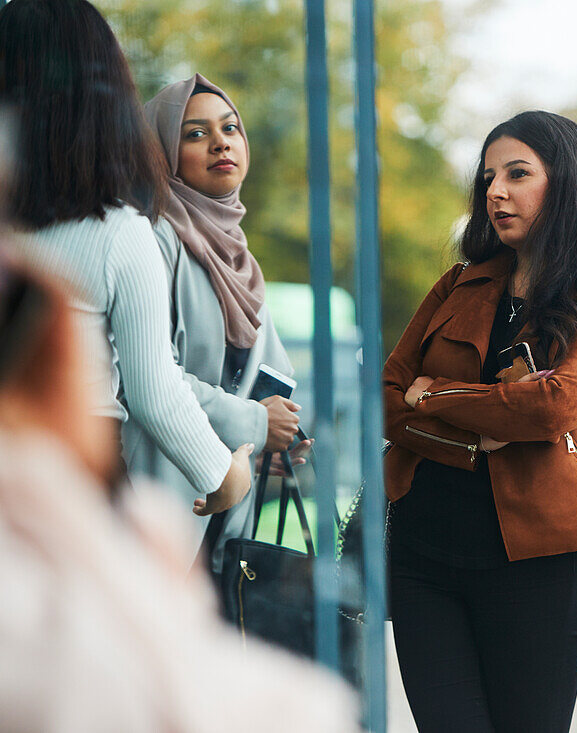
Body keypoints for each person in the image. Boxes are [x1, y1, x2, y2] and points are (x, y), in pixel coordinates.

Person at [383, 110, 577, 732]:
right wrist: (473, 434)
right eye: (488, 177)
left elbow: (552, 407)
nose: (496, 192)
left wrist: (431, 400)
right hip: (423, 554)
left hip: (544, 562)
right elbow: (387, 396)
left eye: (518, 174)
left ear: (565, 183)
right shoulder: (460, 283)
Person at [0, 254, 359, 732]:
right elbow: (155, 383)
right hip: (176, 490)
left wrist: (262, 445)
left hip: (218, 495)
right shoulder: (144, 239)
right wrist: (246, 433)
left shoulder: (240, 257)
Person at [0, 0, 252, 522]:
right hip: (69, 477)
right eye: (196, 132)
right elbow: (153, 388)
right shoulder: (121, 231)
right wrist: (223, 474)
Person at [135, 73, 309, 568]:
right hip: (163, 502)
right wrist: (256, 421)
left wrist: (278, 441)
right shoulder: (155, 241)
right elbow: (148, 376)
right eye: (194, 134)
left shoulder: (240, 258)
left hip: (223, 510)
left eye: (230, 128)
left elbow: (261, 377)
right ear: (161, 153)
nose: (220, 143)